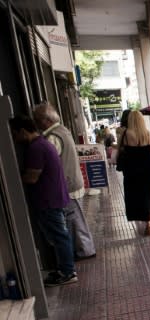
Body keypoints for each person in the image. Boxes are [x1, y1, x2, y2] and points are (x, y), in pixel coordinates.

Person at [10, 116, 77, 286]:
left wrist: (15, 178)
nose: (15, 139)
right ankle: (65, 269)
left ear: (23, 131)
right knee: (60, 235)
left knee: (59, 236)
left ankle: (67, 272)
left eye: (15, 134)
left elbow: (32, 177)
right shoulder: (44, 143)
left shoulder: (36, 148)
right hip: (54, 197)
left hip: (48, 200)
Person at [32, 103, 96, 261]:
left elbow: (49, 163)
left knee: (73, 221)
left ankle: (84, 251)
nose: (35, 123)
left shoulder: (52, 137)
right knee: (76, 220)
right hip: (73, 181)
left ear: (45, 120)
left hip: (67, 185)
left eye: (37, 119)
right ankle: (84, 249)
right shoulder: (63, 130)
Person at [118, 110, 150, 236]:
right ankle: (149, 220)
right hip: (149, 170)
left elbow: (120, 151)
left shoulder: (125, 134)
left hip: (132, 171)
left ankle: (147, 219)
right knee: (148, 195)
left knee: (135, 197)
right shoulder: (148, 134)